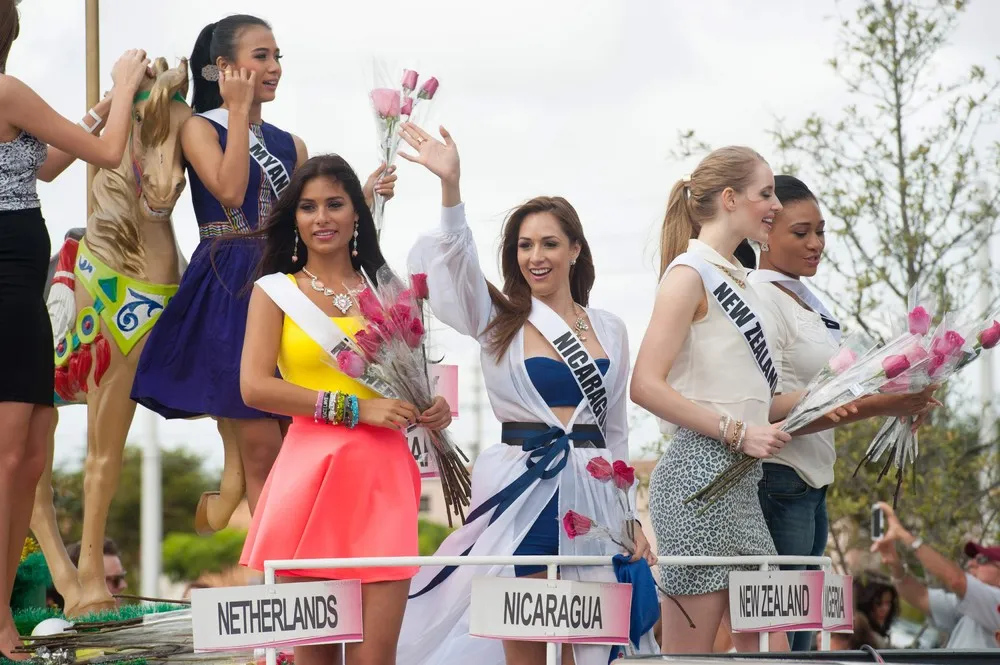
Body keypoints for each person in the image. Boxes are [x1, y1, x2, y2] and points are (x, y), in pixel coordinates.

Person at [393, 122, 657, 665]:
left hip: (594, 491)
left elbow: (616, 430)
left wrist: (630, 517)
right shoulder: (498, 321)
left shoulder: (610, 328)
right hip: (526, 488)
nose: (536, 256)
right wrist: (451, 188)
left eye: (550, 243)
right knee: (527, 626)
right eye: (524, 245)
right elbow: (457, 267)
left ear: (576, 250)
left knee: (591, 633)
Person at [130, 14, 396, 522]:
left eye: (277, 58)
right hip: (229, 285)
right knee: (259, 447)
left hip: (285, 282)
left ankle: (311, 555)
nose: (274, 68)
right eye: (261, 57)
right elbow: (229, 192)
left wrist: (359, 200)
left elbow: (301, 218)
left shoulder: (289, 143)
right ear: (224, 67)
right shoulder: (198, 128)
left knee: (298, 435)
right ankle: (275, 573)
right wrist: (235, 112)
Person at [238, 154, 451, 665]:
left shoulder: (391, 291)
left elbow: (412, 383)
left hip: (382, 481)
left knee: (375, 659)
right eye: (308, 208)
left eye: (335, 204)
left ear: (358, 212)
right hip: (308, 481)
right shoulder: (276, 292)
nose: (321, 218)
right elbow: (254, 387)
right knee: (314, 661)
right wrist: (356, 410)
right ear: (296, 219)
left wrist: (434, 406)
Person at [0, 1, 149, 657]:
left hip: (20, 284)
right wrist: (122, 84)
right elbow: (110, 152)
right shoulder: (5, 90)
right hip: (4, 279)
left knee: (33, 447)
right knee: (10, 454)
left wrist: (102, 105)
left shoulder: (11, 98)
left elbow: (49, 163)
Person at [630, 147, 809, 653]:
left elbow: (754, 402)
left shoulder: (742, 280)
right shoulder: (689, 274)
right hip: (696, 483)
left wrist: (848, 394)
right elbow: (644, 385)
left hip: (743, 485)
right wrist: (737, 432)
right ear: (730, 199)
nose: (775, 205)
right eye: (766, 193)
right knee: (691, 655)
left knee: (772, 648)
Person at [750, 175, 939, 651]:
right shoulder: (759, 298)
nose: (816, 244)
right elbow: (767, 410)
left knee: (801, 632)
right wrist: (887, 402)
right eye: (801, 232)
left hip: (813, 479)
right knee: (784, 635)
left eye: (821, 231)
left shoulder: (809, 303)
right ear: (764, 232)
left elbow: (836, 390)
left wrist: (907, 393)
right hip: (778, 477)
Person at [872, 501, 1000, 650]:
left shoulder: (995, 601)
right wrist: (895, 565)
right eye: (973, 559)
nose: (972, 564)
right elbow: (920, 597)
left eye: (982, 560)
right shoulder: (970, 606)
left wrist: (905, 536)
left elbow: (956, 581)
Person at [853, 573, 898, 649]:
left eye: (888, 603)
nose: (885, 609)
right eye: (878, 603)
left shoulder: (882, 636)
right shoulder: (860, 633)